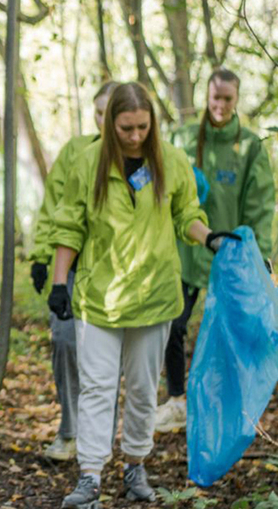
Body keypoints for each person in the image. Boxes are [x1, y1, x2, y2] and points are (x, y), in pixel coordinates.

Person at [47, 82, 238, 508]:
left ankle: (134, 466)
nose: (135, 137)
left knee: (140, 389)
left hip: (154, 296)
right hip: (100, 298)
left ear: (152, 123)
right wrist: (60, 282)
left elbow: (187, 212)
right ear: (111, 123)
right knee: (96, 387)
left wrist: (211, 240)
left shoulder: (169, 160)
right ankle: (90, 476)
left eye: (142, 127)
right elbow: (69, 226)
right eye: (126, 128)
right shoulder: (87, 162)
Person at [154, 68, 275, 432]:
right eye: (215, 98)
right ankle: (176, 400)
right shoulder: (183, 138)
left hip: (229, 258)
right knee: (173, 325)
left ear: (236, 100)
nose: (220, 105)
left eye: (227, 99)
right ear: (206, 97)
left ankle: (226, 408)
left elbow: (260, 207)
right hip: (187, 254)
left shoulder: (249, 146)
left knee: (228, 333)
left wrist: (260, 258)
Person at [29, 81, 119, 461]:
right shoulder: (75, 151)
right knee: (65, 342)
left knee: (108, 356)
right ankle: (69, 433)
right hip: (72, 265)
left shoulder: (136, 156)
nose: (103, 121)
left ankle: (101, 438)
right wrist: (40, 255)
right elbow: (54, 206)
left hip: (116, 272)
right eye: (98, 113)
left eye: (110, 113)